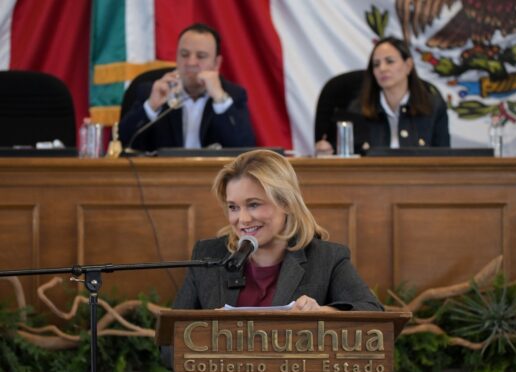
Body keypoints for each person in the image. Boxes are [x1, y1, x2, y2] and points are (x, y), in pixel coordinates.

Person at [172, 149, 383, 312]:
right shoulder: (208, 255)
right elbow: (170, 341)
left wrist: (321, 313)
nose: (242, 219)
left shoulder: (327, 259)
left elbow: (373, 315)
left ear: (287, 203)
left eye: (254, 204)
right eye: (233, 207)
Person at [119, 23, 255, 151]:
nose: (191, 62)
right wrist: (151, 106)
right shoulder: (153, 91)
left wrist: (220, 100)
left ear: (216, 63)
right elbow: (123, 142)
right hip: (164, 168)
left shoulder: (232, 95)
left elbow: (244, 149)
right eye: (184, 54)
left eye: (201, 56)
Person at [316, 36, 450, 155]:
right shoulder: (357, 109)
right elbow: (346, 157)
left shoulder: (432, 106)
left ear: (408, 65)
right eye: (376, 64)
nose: (382, 68)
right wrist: (328, 151)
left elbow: (444, 160)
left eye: (389, 61)